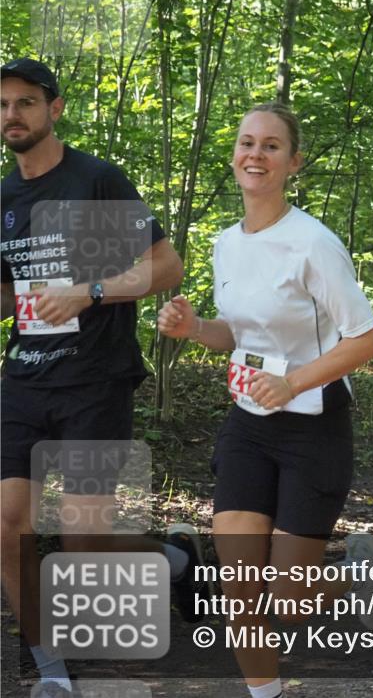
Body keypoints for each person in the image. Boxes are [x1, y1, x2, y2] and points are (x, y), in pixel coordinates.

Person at [158, 103, 373, 698]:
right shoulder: (225, 243)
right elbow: (238, 335)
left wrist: (295, 383)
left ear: (293, 163)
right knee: (240, 586)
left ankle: (356, 575)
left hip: (313, 429)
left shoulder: (313, 244)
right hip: (249, 424)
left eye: (270, 145)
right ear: (234, 153)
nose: (255, 154)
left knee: (288, 601)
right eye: (246, 143)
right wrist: (194, 328)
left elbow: (366, 340)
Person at [0, 58, 187, 696]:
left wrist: (90, 291)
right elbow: (9, 295)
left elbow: (166, 266)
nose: (12, 115)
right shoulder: (4, 199)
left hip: (95, 376)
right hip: (24, 378)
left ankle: (173, 561)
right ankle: (51, 669)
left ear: (54, 109)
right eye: (3, 105)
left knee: (83, 541)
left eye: (26, 102)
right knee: (8, 525)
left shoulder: (94, 181)